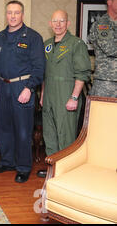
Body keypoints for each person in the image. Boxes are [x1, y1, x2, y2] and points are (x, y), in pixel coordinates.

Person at [0, 0, 45, 183]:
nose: (12, 16)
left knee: (22, 130)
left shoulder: (33, 37)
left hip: (22, 88)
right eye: (9, 12)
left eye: (16, 12)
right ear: (6, 14)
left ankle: (23, 167)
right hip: (2, 86)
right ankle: (7, 161)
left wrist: (29, 88)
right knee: (3, 127)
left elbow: (39, 67)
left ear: (22, 14)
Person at [37, 10, 91, 178]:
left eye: (62, 21)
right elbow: (45, 74)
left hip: (67, 94)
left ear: (68, 23)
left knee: (66, 135)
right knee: (50, 134)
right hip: (49, 95)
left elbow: (82, 74)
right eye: (55, 21)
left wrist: (74, 97)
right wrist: (43, 95)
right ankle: (53, 168)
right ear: (50, 24)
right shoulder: (47, 44)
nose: (58, 24)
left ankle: (65, 172)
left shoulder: (76, 44)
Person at [88, 0, 117, 97]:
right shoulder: (102, 25)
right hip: (107, 80)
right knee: (103, 112)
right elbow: (110, 49)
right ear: (109, 2)